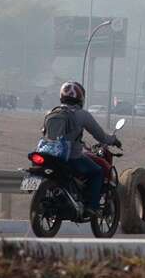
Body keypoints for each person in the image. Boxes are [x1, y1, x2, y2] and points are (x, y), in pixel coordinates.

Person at [43, 82, 120, 219]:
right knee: (98, 172)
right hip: (71, 157)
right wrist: (113, 140)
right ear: (80, 98)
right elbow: (100, 136)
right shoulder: (82, 115)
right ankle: (92, 207)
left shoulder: (51, 112)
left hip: (49, 154)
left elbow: (45, 133)